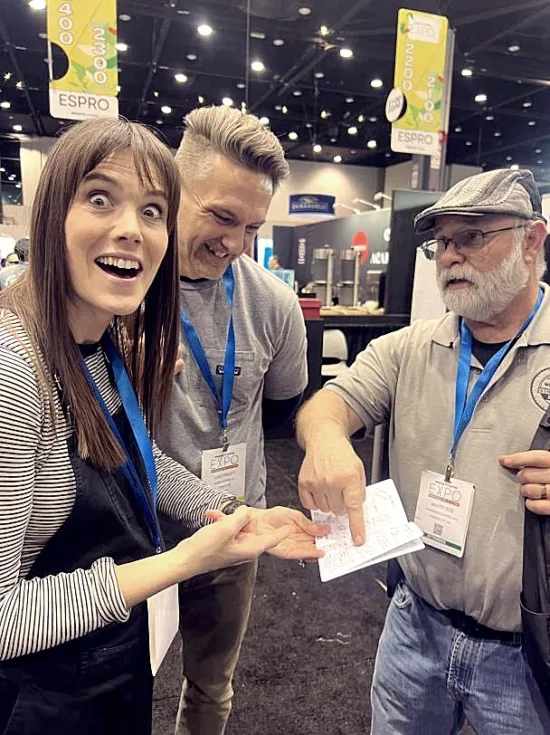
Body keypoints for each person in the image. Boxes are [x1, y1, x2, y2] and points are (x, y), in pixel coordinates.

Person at [0, 116, 326, 735]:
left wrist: (234, 514)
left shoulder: (93, 342)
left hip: (97, 665)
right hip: (37, 692)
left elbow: (134, 457)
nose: (130, 229)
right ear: (50, 217)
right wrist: (177, 563)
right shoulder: (16, 363)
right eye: (100, 199)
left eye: (150, 211)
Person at [296, 168, 550, 733]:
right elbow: (329, 404)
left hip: (525, 651)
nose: (450, 258)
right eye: (442, 244)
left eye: (473, 238)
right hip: (414, 625)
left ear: (533, 240)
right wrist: (327, 439)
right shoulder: (408, 349)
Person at [158, 105, 309, 735]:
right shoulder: (123, 282)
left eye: (252, 225)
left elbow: (284, 405)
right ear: (169, 189)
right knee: (110, 683)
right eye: (221, 216)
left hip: (233, 524)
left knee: (211, 685)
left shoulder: (271, 301)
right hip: (129, 533)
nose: (236, 243)